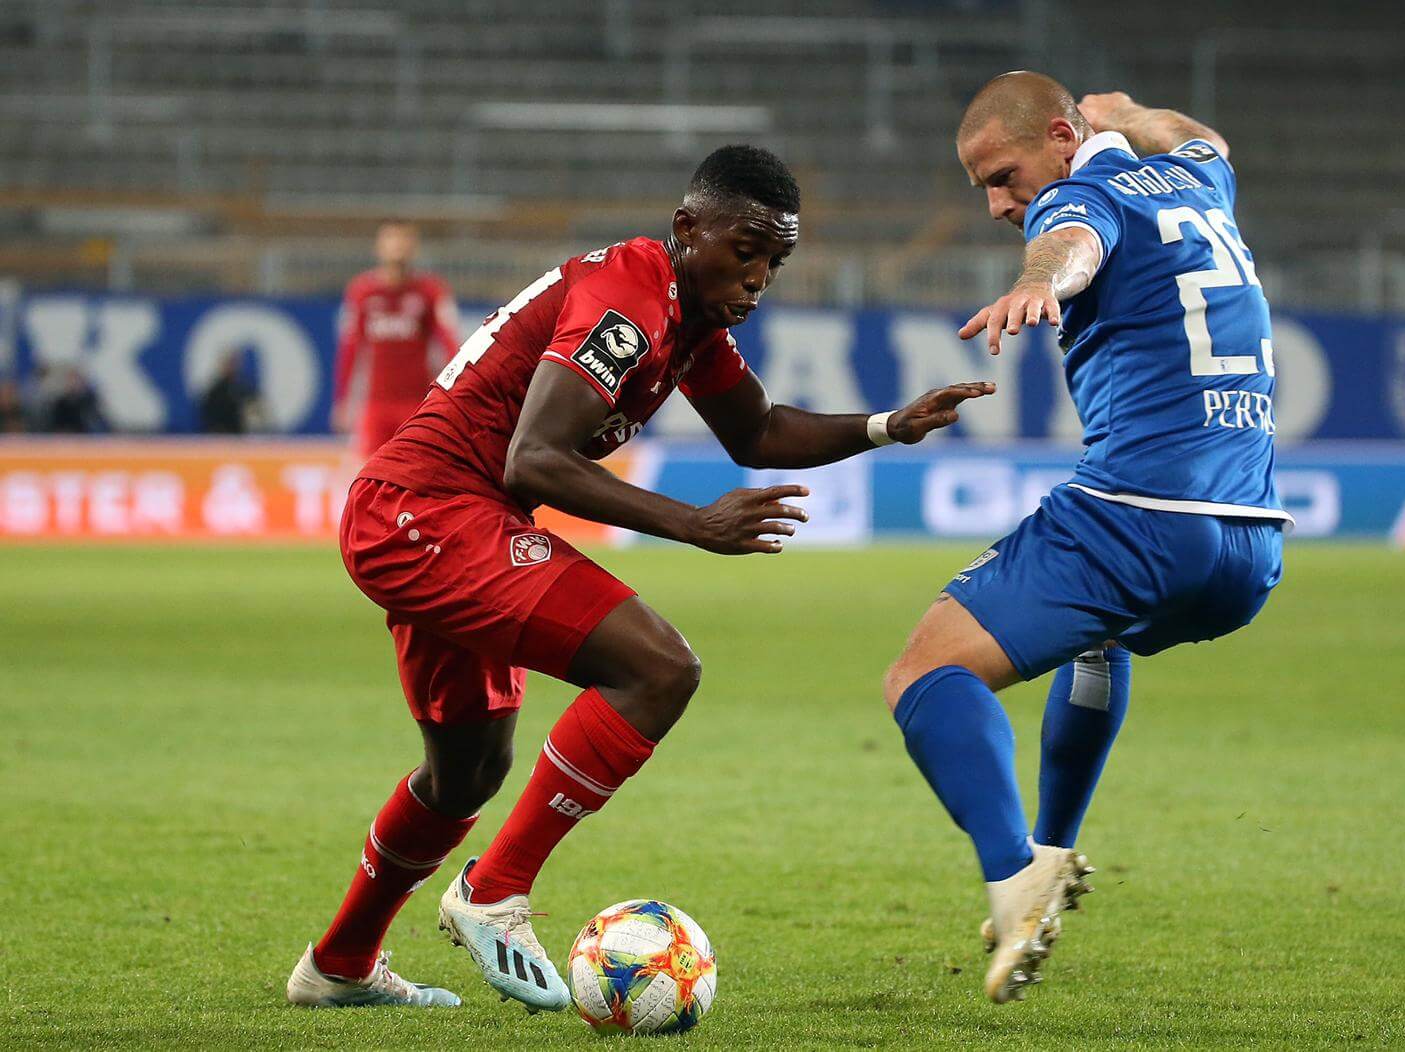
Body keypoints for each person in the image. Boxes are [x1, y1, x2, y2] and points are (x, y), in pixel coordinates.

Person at [287, 145, 994, 1011]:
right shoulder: (627, 294)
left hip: (440, 515)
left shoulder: (689, 320)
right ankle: (493, 891)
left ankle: (339, 965)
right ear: (688, 229)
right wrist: (692, 524)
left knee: (467, 771)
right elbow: (537, 457)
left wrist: (888, 425)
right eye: (747, 251)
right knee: (659, 667)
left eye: (777, 261)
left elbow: (760, 430)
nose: (759, 277)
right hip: (427, 510)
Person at [880, 74, 1291, 1003]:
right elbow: (1210, 136)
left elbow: (1072, 244)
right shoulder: (1195, 181)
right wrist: (1136, 117)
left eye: (1002, 175)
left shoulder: (1076, 195)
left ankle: (1012, 871)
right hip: (1249, 548)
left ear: (1064, 138)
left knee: (923, 674)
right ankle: (1054, 851)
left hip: (1138, 517)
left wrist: (1036, 281)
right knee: (1096, 637)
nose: (996, 203)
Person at [331, 220, 460, 460]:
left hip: (418, 401)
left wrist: (455, 393)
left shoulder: (431, 291)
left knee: (417, 468)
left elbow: (450, 343)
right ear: (378, 247)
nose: (397, 246)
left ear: (414, 247)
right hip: (376, 404)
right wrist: (343, 399)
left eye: (404, 239)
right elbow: (350, 348)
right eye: (391, 239)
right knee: (369, 473)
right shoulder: (362, 292)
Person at [197, 351, 261, 434]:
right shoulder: (215, 392)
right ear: (221, 365)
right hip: (221, 439)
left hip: (241, 439)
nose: (231, 366)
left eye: (234, 363)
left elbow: (256, 413)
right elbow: (209, 419)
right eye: (228, 363)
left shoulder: (244, 388)